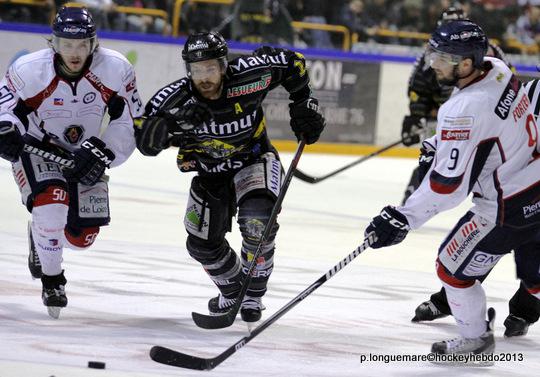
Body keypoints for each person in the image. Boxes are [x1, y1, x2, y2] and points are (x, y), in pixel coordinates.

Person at [365, 20, 540, 358]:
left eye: (442, 58)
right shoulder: (498, 70)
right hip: (534, 186)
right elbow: (493, 125)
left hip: (506, 205)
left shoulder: (462, 109)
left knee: (451, 267)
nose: (433, 64)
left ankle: (475, 340)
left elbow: (447, 188)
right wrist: (439, 142)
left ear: (465, 64)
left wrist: (403, 217)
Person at [135, 31, 325, 323]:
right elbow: (145, 140)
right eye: (197, 70)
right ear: (188, 70)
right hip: (210, 174)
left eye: (211, 67)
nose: (205, 77)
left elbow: (292, 62)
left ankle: (253, 296)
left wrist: (303, 102)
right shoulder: (174, 99)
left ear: (224, 64)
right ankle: (235, 291)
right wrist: (169, 127)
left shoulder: (250, 75)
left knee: (258, 224)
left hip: (254, 159)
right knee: (201, 245)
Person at [0, 6, 143, 318]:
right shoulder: (29, 70)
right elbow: (4, 108)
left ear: (93, 43)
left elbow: (131, 120)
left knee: (81, 237)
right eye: (67, 44)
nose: (74, 52)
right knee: (52, 202)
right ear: (54, 43)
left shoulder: (116, 68)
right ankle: (53, 280)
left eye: (81, 44)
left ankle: (42, 238)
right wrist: (6, 129)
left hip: (87, 153)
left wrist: (103, 152)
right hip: (38, 148)